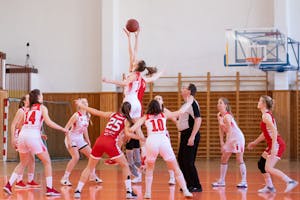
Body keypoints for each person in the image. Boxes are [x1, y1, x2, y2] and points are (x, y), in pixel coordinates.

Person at [102, 59, 162, 183]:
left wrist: (108, 81)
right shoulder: (142, 77)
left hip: (129, 102)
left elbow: (124, 84)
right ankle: (145, 154)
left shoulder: (134, 75)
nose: (133, 62)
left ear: (137, 66)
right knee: (137, 129)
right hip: (136, 104)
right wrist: (161, 73)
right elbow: (153, 78)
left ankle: (115, 155)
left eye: (135, 62)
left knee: (122, 128)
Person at [73, 101, 144, 199]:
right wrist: (141, 138)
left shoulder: (113, 114)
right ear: (130, 110)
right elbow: (128, 135)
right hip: (110, 143)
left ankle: (78, 190)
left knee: (89, 167)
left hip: (100, 141)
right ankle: (129, 191)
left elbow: (96, 111)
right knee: (125, 165)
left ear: (120, 108)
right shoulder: (126, 120)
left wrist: (82, 106)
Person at [3, 89, 68, 196]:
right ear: (38, 97)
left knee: (23, 163)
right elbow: (49, 122)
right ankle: (50, 189)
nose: (43, 96)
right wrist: (62, 129)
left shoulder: (27, 109)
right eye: (41, 95)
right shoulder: (42, 108)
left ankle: (9, 185)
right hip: (33, 137)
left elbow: (20, 125)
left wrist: (32, 131)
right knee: (47, 162)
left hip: (22, 136)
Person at [129, 99, 194, 198]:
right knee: (175, 168)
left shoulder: (145, 117)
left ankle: (147, 193)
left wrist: (126, 133)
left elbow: (132, 129)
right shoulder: (164, 115)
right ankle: (186, 191)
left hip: (151, 141)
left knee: (150, 169)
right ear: (159, 108)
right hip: (163, 140)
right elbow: (180, 112)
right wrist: (189, 103)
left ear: (149, 108)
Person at [248, 95, 298, 193]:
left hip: (277, 143)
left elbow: (274, 131)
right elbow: (265, 133)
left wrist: (274, 146)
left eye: (259, 101)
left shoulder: (265, 116)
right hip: (273, 143)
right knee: (261, 164)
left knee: (269, 168)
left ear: (263, 104)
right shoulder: (266, 115)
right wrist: (255, 143)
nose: (258, 103)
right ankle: (270, 187)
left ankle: (290, 181)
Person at [60, 98, 102, 186]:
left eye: (86, 102)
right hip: (71, 137)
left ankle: (92, 175)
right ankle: (65, 178)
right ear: (80, 105)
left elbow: (84, 129)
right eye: (83, 102)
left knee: (92, 156)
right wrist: (69, 140)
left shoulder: (87, 115)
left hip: (80, 138)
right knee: (76, 157)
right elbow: (66, 128)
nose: (86, 103)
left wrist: (88, 140)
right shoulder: (76, 115)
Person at [212, 97, 247, 188]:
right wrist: (221, 142)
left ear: (225, 105)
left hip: (237, 138)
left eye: (220, 103)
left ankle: (244, 181)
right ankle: (221, 181)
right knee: (224, 158)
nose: (218, 104)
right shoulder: (219, 115)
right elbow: (221, 129)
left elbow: (230, 131)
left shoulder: (227, 116)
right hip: (230, 138)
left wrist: (226, 144)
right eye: (218, 102)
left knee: (239, 159)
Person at [10, 94, 40, 188]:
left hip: (27, 135)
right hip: (20, 136)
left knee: (32, 159)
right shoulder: (21, 110)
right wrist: (13, 138)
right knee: (24, 160)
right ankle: (19, 180)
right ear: (24, 101)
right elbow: (13, 125)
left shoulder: (30, 111)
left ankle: (30, 180)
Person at [176, 83, 202, 192]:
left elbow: (198, 119)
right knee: (181, 160)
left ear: (189, 91)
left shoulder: (193, 103)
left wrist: (192, 136)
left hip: (190, 134)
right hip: (184, 134)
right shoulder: (186, 104)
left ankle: (196, 185)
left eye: (184, 88)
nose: (181, 89)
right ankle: (189, 184)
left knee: (188, 161)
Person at [154, 95, 176, 185]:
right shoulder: (150, 112)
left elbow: (175, 119)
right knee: (148, 157)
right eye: (156, 99)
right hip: (153, 136)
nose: (158, 100)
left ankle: (172, 177)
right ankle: (139, 175)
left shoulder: (165, 111)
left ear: (162, 102)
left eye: (159, 99)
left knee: (168, 157)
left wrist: (180, 130)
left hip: (163, 136)